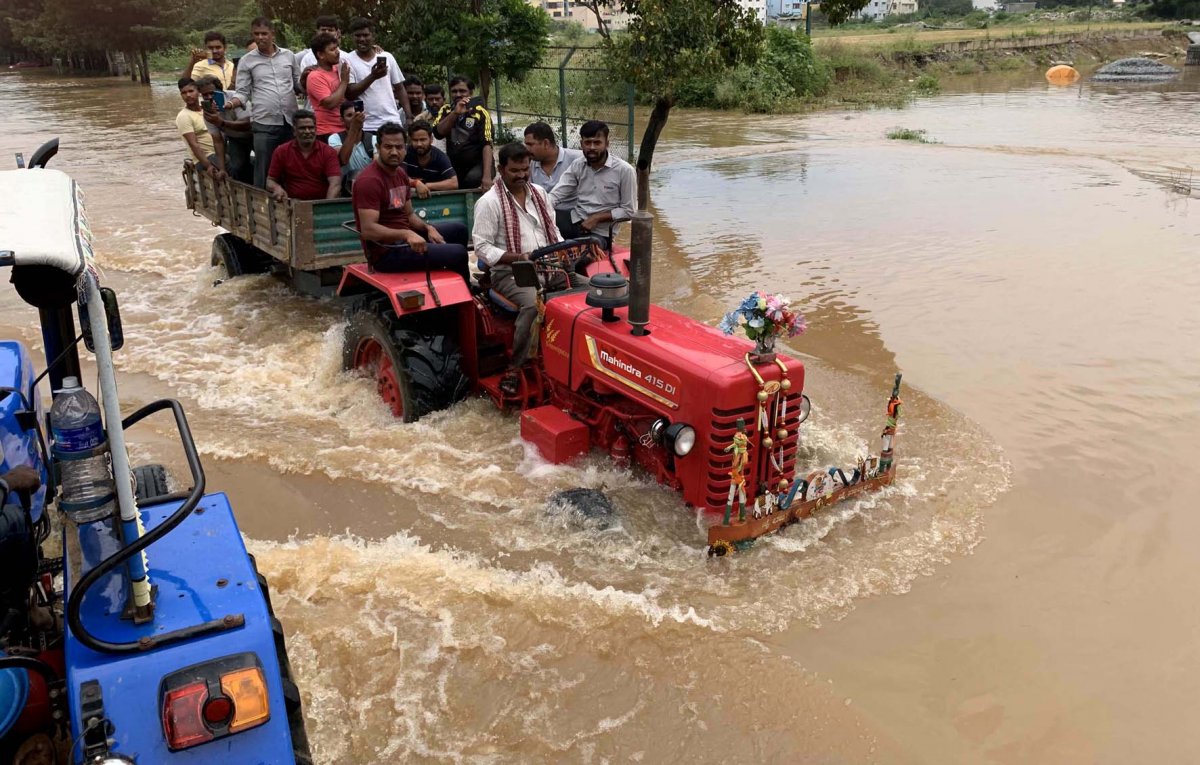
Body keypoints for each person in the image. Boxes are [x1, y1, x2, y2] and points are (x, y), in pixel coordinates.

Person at [473, 143, 587, 394]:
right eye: (515, 170)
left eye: (525, 169)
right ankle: (515, 368)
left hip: (549, 267)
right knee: (533, 305)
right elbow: (481, 247)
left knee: (594, 291)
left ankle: (581, 355)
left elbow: (553, 231)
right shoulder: (489, 202)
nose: (522, 175)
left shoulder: (540, 194)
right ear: (501, 169)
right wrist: (518, 257)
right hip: (511, 273)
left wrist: (563, 251)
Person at [352, 123, 470, 283]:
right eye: (388, 147)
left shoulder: (400, 174)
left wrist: (428, 228)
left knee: (459, 230)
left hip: (404, 238)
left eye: (399, 147)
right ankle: (465, 292)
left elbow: (409, 215)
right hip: (387, 252)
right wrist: (406, 234)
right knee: (459, 253)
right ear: (378, 148)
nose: (394, 152)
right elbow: (368, 230)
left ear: (405, 149)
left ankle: (451, 281)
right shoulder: (369, 181)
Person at [232, 17, 301, 188]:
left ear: (272, 34)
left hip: (290, 121)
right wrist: (232, 103)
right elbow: (242, 92)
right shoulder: (247, 61)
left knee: (292, 165)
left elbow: (298, 84)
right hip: (264, 122)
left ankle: (291, 200)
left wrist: (310, 81)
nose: (260, 37)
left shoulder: (289, 56)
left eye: (264, 33)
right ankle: (262, 203)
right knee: (264, 166)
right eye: (256, 34)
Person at [550, 120, 636, 252]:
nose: (591, 147)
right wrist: (539, 208)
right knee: (540, 226)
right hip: (575, 220)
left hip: (602, 233)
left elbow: (629, 211)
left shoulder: (625, 170)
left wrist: (597, 218)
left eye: (597, 143)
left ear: (607, 144)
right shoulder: (578, 165)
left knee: (585, 254)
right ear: (581, 144)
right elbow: (557, 194)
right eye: (587, 142)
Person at [343, 18, 412, 141]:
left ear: (373, 36)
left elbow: (400, 88)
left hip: (392, 121)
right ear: (352, 37)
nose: (362, 39)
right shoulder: (347, 60)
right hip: (365, 125)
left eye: (366, 35)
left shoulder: (387, 57)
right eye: (358, 35)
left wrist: (409, 116)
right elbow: (350, 93)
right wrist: (373, 76)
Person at [266, 110, 341, 201]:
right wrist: (277, 188)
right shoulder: (281, 151)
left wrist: (326, 206)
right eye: (302, 128)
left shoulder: (328, 152)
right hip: (292, 205)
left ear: (316, 129)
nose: (307, 131)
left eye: (311, 128)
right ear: (294, 131)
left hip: (320, 204)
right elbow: (270, 181)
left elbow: (335, 184)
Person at [434, 76, 493, 190]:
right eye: (454, 91)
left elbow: (487, 144)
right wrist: (455, 113)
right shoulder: (445, 110)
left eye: (462, 91)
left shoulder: (481, 113)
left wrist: (487, 176)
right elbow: (438, 133)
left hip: (477, 164)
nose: (458, 94)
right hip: (453, 163)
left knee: (472, 179)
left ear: (470, 92)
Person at [523, 121, 584, 233]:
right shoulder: (529, 164)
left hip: (573, 215)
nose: (527, 149)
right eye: (526, 145)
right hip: (543, 213)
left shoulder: (578, 159)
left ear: (546, 143)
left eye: (530, 144)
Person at [195, 75, 253, 184]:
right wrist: (222, 169)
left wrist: (221, 122)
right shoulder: (208, 113)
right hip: (236, 139)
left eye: (212, 93)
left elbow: (248, 125)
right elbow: (218, 141)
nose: (209, 97)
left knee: (264, 163)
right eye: (205, 95)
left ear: (220, 91)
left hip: (255, 135)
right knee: (236, 167)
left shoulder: (235, 99)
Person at [176, 78, 225, 180]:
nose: (188, 95)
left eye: (191, 91)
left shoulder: (208, 110)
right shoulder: (184, 116)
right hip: (206, 158)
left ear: (198, 92)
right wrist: (208, 165)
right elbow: (194, 144)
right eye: (184, 93)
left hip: (219, 153)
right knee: (230, 162)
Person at [304, 32, 350, 141]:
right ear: (321, 55)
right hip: (327, 132)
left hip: (345, 129)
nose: (337, 52)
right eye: (332, 49)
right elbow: (330, 103)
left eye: (337, 47)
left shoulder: (338, 70)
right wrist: (344, 82)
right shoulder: (315, 76)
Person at [403, 121, 458, 198]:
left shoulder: (440, 157)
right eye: (415, 140)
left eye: (423, 140)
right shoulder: (404, 154)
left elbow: (454, 183)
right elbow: (395, 176)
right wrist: (415, 183)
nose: (419, 144)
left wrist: (427, 186)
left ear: (431, 139)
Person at [329, 100, 372, 195]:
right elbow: (343, 160)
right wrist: (354, 128)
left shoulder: (373, 139)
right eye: (349, 115)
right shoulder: (335, 138)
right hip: (345, 190)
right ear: (342, 119)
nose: (354, 118)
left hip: (369, 187)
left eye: (357, 114)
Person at [416, 84, 447, 152]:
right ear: (425, 100)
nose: (434, 102)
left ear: (444, 100)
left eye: (437, 99)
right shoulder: (420, 119)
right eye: (430, 99)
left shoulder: (450, 116)